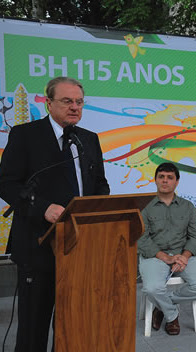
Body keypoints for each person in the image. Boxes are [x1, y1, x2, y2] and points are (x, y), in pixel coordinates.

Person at [0, 77, 110, 351]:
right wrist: (43, 208)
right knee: (33, 331)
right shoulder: (26, 135)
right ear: (48, 103)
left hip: (81, 247)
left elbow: (100, 184)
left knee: (72, 325)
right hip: (39, 247)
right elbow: (7, 182)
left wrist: (97, 210)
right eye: (67, 101)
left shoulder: (88, 139)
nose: (74, 107)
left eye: (79, 102)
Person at [138, 162, 196, 336]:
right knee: (151, 288)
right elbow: (141, 237)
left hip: (183, 255)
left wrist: (185, 256)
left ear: (177, 182)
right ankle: (172, 315)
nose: (165, 181)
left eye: (170, 177)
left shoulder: (187, 206)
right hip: (155, 256)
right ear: (155, 180)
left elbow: (195, 236)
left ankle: (162, 306)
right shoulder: (144, 206)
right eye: (161, 177)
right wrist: (165, 257)